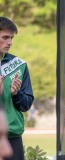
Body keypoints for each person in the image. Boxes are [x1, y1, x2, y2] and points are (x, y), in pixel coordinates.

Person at [0, 17, 34, 160]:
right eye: (5, 37)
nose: (10, 42)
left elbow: (26, 104)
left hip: (13, 137)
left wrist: (16, 94)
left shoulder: (19, 65)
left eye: (12, 38)